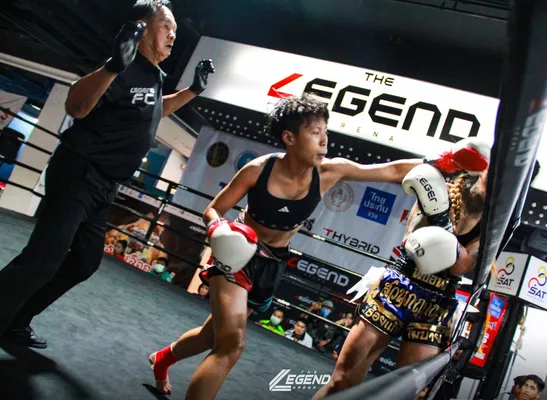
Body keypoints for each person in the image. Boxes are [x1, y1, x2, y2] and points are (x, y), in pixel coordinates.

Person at [147, 93, 489, 398]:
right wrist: (218, 228)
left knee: (210, 337)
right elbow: (214, 209)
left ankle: (162, 359)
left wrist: (445, 161)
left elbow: (391, 171)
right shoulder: (257, 170)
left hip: (272, 263)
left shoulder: (329, 172)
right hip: (238, 257)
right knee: (231, 346)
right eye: (315, 133)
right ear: (289, 137)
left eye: (326, 131)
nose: (325, 140)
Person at [0, 0, 215, 348]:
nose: (173, 35)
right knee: (43, 259)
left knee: (84, 262)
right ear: (142, 27)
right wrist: (114, 66)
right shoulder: (123, 67)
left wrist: (193, 91)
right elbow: (76, 106)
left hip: (104, 186)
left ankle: (16, 320)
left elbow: (157, 110)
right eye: (166, 26)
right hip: (79, 173)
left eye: (175, 30)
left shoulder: (153, 76)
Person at [313, 160, 492, 398]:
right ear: (485, 169)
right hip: (397, 287)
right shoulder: (440, 191)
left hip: (436, 306)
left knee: (406, 393)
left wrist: (442, 224)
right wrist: (439, 218)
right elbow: (411, 241)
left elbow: (459, 267)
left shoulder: (493, 227)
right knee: (340, 381)